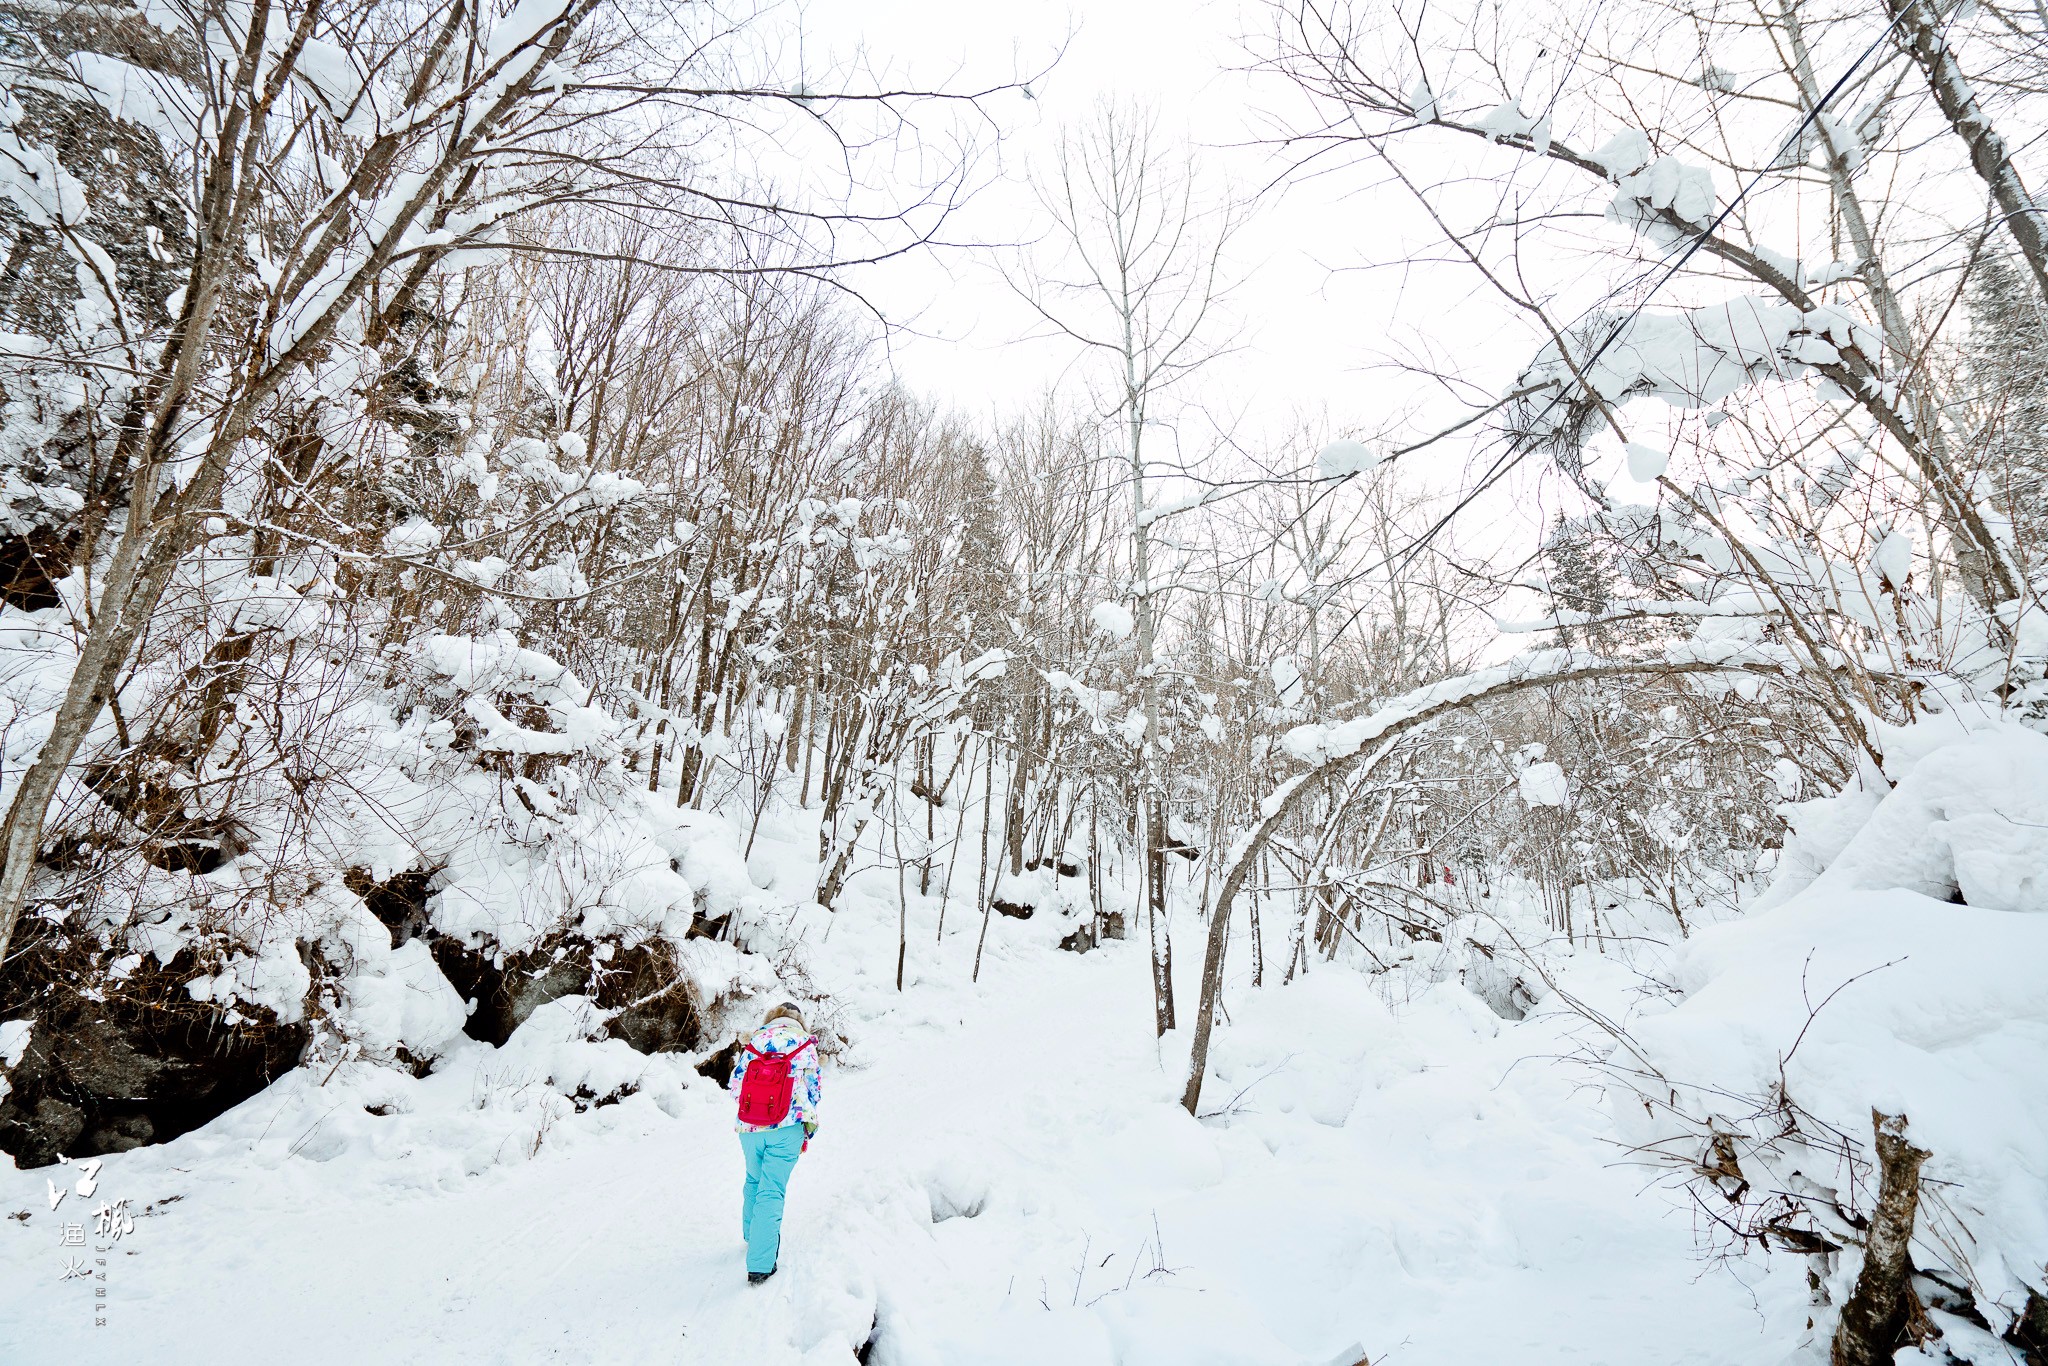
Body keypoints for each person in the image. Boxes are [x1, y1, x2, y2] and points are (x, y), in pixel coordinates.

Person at [727, 1001, 822, 1284]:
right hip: (787, 1127)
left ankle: (751, 1234)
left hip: (749, 1127)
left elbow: (735, 1086)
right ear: (799, 1021)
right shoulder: (805, 1044)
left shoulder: (755, 1041)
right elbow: (814, 1091)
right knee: (772, 1190)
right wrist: (806, 1129)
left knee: (753, 1180)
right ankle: (760, 1264)